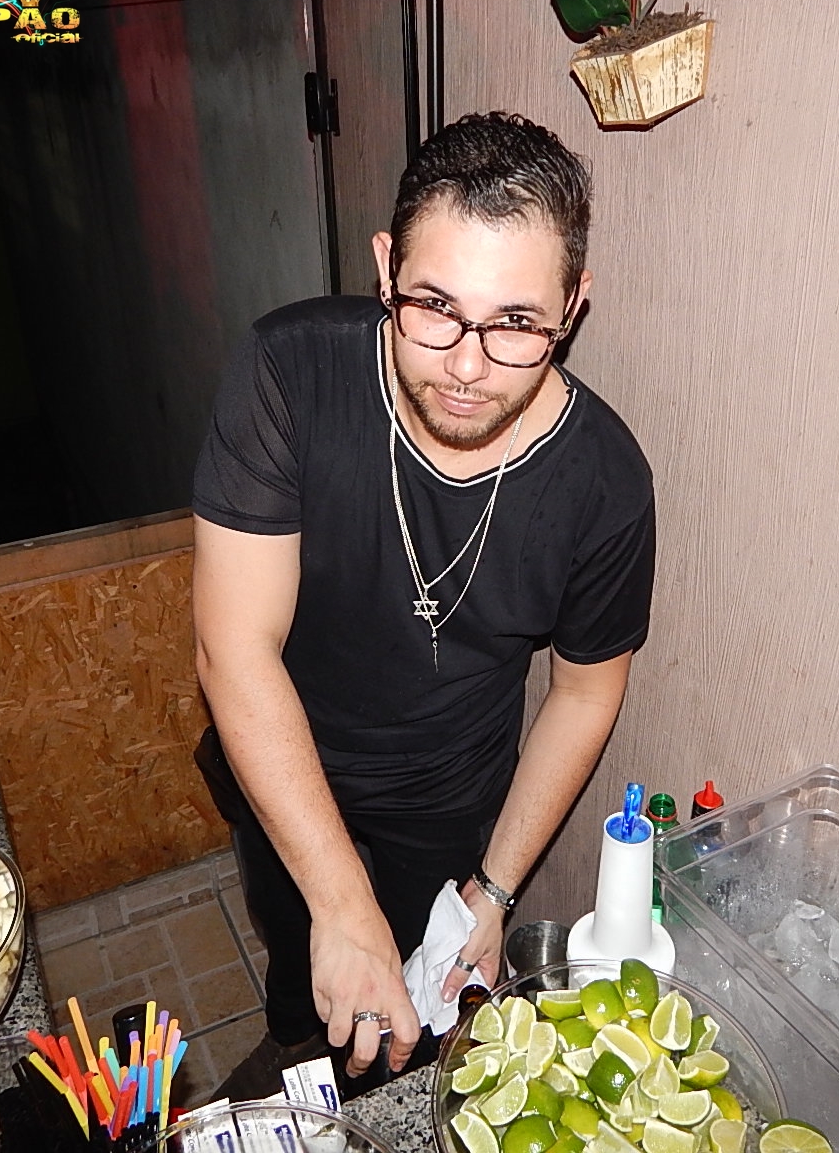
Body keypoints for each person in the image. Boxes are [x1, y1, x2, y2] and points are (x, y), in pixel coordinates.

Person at [191, 111, 655, 1100]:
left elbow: (583, 692)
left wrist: (495, 888)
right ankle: (293, 1051)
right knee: (301, 962)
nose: (467, 365)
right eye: (434, 306)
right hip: (285, 749)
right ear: (384, 269)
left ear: (573, 307)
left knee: (407, 1028)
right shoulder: (290, 371)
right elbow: (234, 650)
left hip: (450, 796)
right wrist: (338, 903)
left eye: (516, 323)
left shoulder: (606, 483)